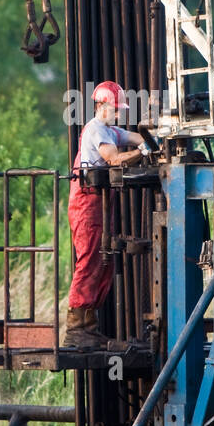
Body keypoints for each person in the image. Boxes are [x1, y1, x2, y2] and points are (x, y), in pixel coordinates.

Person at [64, 80, 150, 350]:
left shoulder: (110, 130)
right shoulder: (95, 131)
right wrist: (141, 152)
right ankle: (76, 328)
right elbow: (113, 159)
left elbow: (133, 136)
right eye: (115, 108)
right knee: (90, 260)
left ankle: (89, 326)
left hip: (100, 204)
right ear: (101, 106)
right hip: (86, 204)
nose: (119, 113)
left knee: (104, 262)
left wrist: (152, 138)